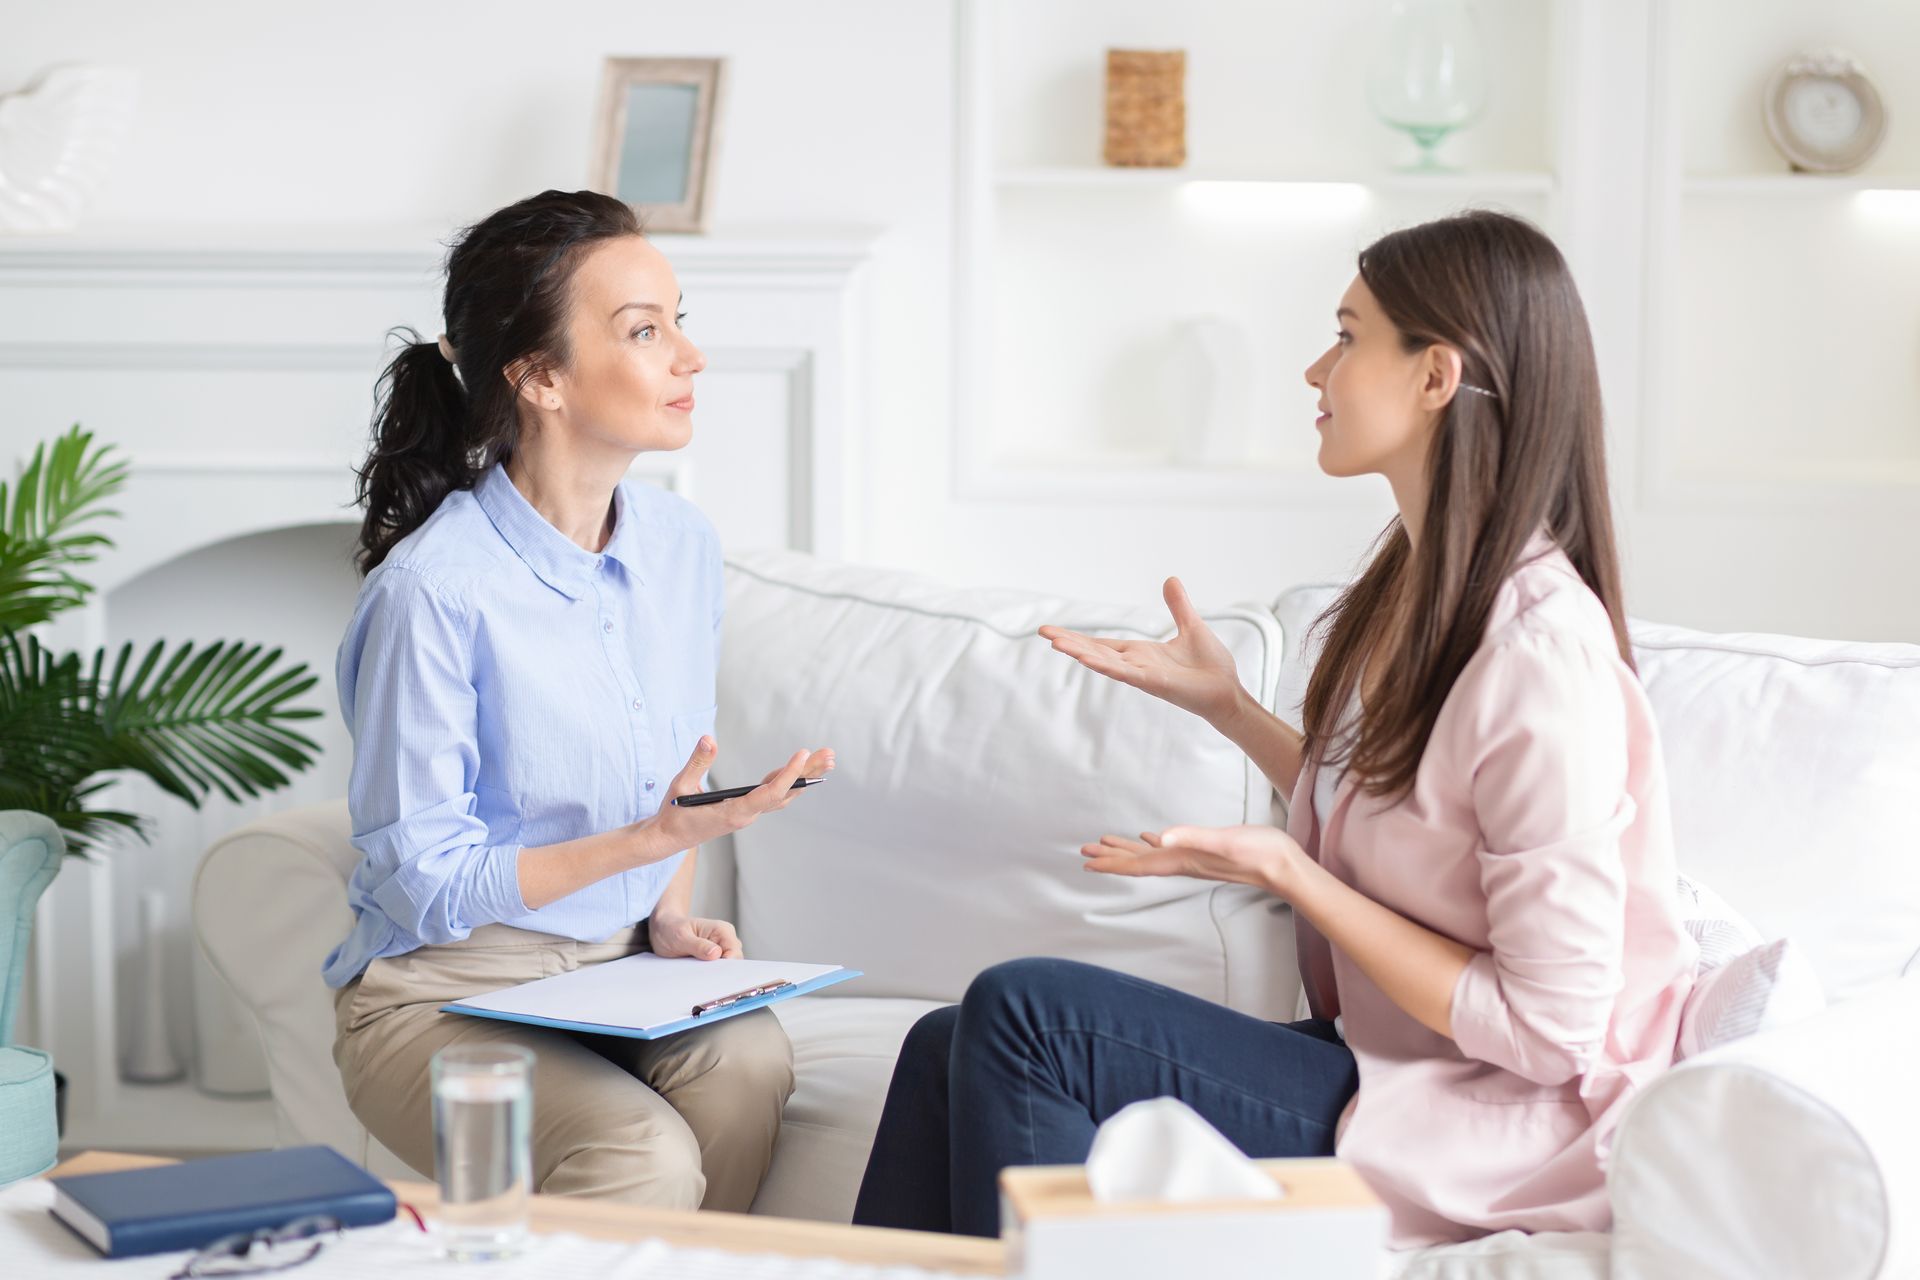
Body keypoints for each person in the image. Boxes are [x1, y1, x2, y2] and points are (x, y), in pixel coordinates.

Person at [852, 209, 1697, 1248]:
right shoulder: (1421, 590)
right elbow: (1412, 821)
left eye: (1347, 336)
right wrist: (1229, 708)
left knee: (1028, 1014)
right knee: (945, 1044)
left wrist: (1294, 875)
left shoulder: (1538, 660)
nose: (1315, 369)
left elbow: (1552, 1026)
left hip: (1505, 1128)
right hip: (1406, 1068)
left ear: (1437, 375)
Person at [326, 189, 832, 1211]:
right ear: (541, 376)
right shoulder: (435, 592)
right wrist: (641, 847)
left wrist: (669, 914)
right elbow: (424, 878)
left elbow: (668, 779)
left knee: (746, 1067)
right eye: (645, 331)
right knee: (638, 1151)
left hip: (617, 965)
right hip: (442, 989)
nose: (689, 357)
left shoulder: (680, 547)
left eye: (679, 320)